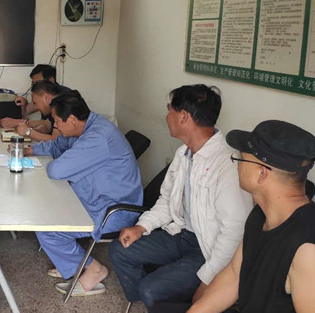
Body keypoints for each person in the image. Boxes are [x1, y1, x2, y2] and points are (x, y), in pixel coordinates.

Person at [109, 85, 253, 310]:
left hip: (208, 249)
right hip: (181, 235)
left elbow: (234, 232)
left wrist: (209, 280)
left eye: (169, 109)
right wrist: (142, 227)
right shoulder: (184, 153)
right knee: (120, 250)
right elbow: (168, 200)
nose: (167, 116)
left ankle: (166, 299)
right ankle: (152, 304)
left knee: (152, 289)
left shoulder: (227, 163)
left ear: (183, 116)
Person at [153, 120, 315, 313]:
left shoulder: (306, 248)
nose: (236, 165)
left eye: (240, 159)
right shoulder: (261, 214)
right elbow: (235, 273)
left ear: (262, 174)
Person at [28, 91, 143, 296]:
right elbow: (58, 145)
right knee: (45, 210)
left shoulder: (97, 137)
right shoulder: (85, 126)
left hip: (113, 210)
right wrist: (30, 150)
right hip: (95, 197)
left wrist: (55, 159)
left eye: (57, 121)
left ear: (72, 119)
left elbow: (57, 170)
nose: (56, 126)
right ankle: (73, 263)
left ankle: (93, 269)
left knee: (47, 228)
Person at [1, 64, 70, 129]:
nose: (35, 88)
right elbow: (26, 112)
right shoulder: (43, 95)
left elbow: (50, 124)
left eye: (38, 83)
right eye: (33, 84)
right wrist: (24, 104)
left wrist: (20, 123)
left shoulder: (64, 97)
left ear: (51, 81)